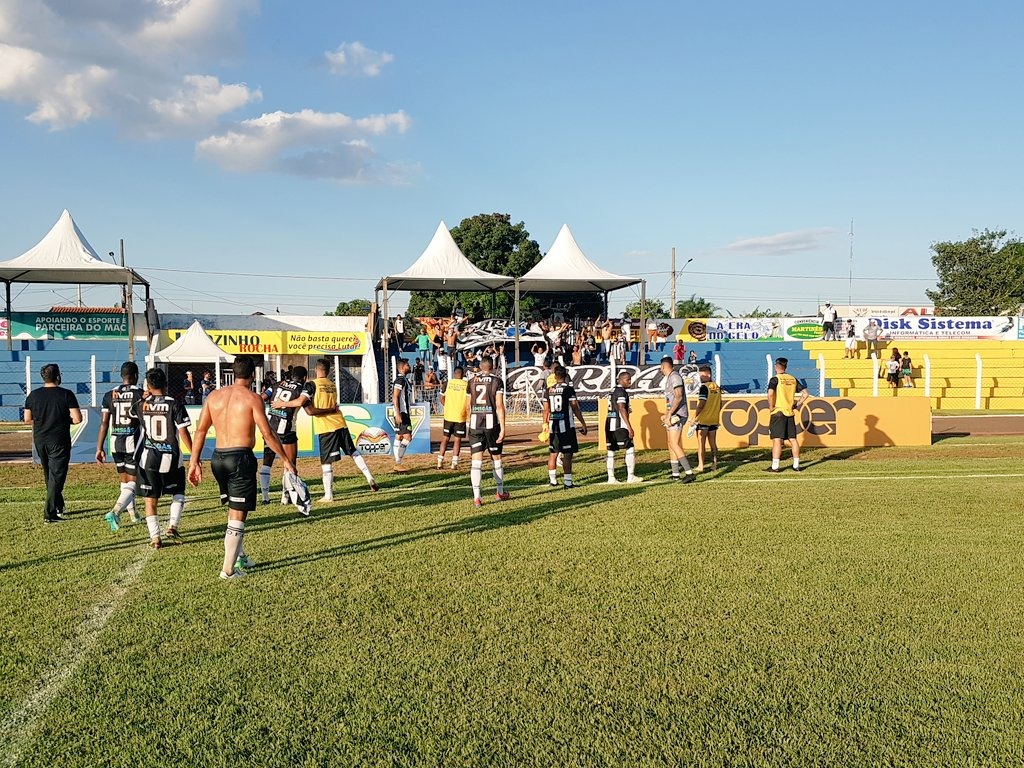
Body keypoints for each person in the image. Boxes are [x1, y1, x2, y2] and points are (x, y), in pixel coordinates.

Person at [189, 357, 295, 579]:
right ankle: (228, 571)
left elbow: (200, 431)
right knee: (238, 514)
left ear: (233, 372)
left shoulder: (213, 396)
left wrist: (194, 461)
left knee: (234, 509)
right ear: (253, 375)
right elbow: (267, 433)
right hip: (240, 458)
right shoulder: (252, 398)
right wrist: (285, 459)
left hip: (218, 458)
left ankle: (240, 556)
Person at [135, 368, 195, 548]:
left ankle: (155, 538)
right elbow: (183, 432)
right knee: (178, 493)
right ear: (166, 383)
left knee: (150, 499)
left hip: (149, 458)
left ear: (148, 385)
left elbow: (131, 413)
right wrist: (194, 455)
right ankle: (172, 526)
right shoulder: (175, 404)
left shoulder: (141, 405)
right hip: (172, 458)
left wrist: (144, 397)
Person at [304, 358, 378, 500]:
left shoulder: (312, 384)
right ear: (329, 370)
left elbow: (312, 407)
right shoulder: (332, 385)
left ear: (315, 370)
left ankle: (328, 495)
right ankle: (369, 477)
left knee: (326, 461)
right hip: (340, 422)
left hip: (326, 426)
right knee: (353, 451)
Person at [24, 363, 82, 523]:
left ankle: (58, 505)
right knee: (57, 476)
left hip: (40, 439)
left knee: (49, 474)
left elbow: (27, 419)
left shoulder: (33, 395)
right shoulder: (66, 394)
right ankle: (49, 513)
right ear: (58, 376)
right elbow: (77, 418)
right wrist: (62, 419)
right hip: (59, 440)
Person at [97, 361, 145, 530]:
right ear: (136, 375)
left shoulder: (109, 394)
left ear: (122, 376)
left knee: (124, 480)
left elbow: (104, 423)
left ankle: (133, 514)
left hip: (115, 442)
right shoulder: (140, 394)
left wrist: (99, 447)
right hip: (133, 442)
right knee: (133, 482)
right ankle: (116, 511)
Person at [263, 365, 314, 510]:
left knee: (267, 461)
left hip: (270, 429)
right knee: (290, 464)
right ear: (304, 378)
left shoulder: (277, 384)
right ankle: (286, 496)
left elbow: (261, 397)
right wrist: (283, 404)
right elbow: (303, 405)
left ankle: (266, 497)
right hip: (286, 431)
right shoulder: (304, 388)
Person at [464, 355, 509, 506]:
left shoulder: (471, 382)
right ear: (492, 367)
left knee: (476, 462)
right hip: (491, 425)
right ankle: (500, 492)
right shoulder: (497, 381)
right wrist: (503, 428)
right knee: (496, 458)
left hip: (475, 425)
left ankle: (477, 497)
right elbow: (499, 406)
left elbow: (467, 406)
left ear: (481, 366)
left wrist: (470, 422)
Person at [543, 365, 588, 488]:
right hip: (566, 426)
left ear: (555, 376)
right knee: (567, 453)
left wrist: (545, 424)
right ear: (565, 375)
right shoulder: (568, 389)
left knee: (553, 453)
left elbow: (546, 410)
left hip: (553, 425)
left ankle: (552, 480)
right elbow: (574, 406)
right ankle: (568, 481)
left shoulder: (548, 390)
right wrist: (583, 423)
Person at [765, 357, 808, 473]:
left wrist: (771, 406)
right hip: (789, 412)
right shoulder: (792, 379)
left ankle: (775, 466)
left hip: (778, 412)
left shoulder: (775, 379)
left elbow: (770, 394)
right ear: (786, 367)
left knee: (777, 439)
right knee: (793, 439)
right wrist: (796, 404)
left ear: (776, 366)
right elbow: (805, 394)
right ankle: (796, 465)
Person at [660, 356, 695, 483]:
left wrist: (670, 414)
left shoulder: (675, 377)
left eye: (661, 367)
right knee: (671, 444)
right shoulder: (670, 378)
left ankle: (689, 472)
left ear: (663, 366)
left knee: (674, 443)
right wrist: (667, 413)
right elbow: (671, 400)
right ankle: (675, 473)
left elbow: (679, 397)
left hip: (678, 414)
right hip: (673, 413)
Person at [605, 370, 641, 484]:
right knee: (629, 448)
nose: (630, 382)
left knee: (611, 451)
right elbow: (621, 408)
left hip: (609, 423)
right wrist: (629, 427)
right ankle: (630, 476)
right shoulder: (621, 392)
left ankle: (611, 478)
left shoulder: (612, 391)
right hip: (619, 424)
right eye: (627, 380)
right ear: (620, 380)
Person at [688, 364, 722, 473]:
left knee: (701, 443)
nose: (700, 378)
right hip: (714, 419)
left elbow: (701, 404)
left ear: (709, 374)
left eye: (702, 375)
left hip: (703, 419)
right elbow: (720, 404)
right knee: (713, 443)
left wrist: (694, 417)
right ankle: (714, 463)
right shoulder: (716, 387)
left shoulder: (704, 387)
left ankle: (701, 465)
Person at [437, 366, 468, 469]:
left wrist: (447, 406)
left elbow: (441, 398)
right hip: (460, 416)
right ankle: (454, 463)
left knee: (445, 438)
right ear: (462, 374)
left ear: (454, 374)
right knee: (457, 440)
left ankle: (439, 461)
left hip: (448, 416)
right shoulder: (466, 385)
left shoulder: (448, 383)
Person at [392, 359, 413, 471]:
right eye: (407, 365)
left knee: (399, 436)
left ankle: (398, 462)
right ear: (403, 367)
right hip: (402, 412)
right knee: (407, 437)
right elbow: (395, 396)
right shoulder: (400, 380)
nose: (409, 366)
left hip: (403, 412)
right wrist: (398, 413)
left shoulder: (404, 380)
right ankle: (398, 462)